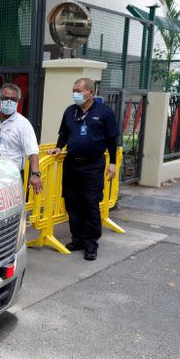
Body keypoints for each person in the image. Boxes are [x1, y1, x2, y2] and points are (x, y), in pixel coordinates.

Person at [47, 77, 119, 261]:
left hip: (93, 165)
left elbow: (112, 139)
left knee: (90, 204)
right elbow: (64, 133)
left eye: (79, 90)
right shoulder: (70, 111)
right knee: (72, 203)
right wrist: (59, 146)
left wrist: (112, 162)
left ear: (90, 93)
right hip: (72, 163)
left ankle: (91, 244)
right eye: (74, 90)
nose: (75, 94)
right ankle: (77, 239)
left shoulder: (104, 112)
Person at [0, 83, 42, 194]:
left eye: (13, 99)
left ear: (18, 102)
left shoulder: (23, 124)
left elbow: (32, 151)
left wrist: (35, 174)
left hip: (11, 177)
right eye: (5, 98)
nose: (9, 102)